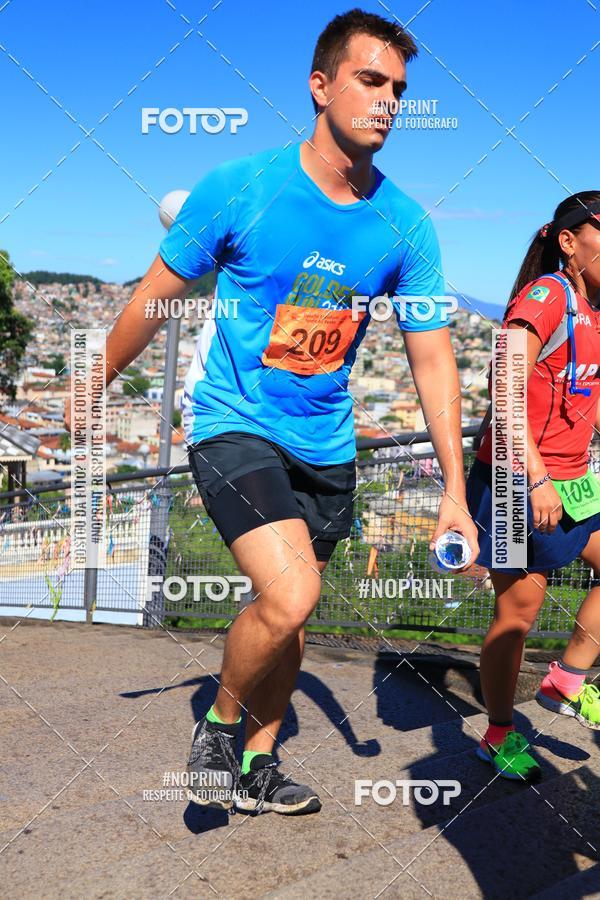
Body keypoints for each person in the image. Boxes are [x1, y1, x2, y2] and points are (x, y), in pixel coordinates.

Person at [68, 8, 478, 815]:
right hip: (234, 423)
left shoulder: (406, 226)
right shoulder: (241, 186)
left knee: (292, 620)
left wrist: (455, 493)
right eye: (370, 80)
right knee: (290, 595)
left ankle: (258, 763)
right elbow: (154, 296)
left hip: (326, 444)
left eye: (399, 89)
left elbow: (432, 360)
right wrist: (92, 385)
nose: (388, 101)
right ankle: (219, 727)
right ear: (321, 86)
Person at [467, 191, 600, 782]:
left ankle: (565, 680)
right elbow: (505, 385)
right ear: (569, 242)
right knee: (519, 611)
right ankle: (498, 733)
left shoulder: (595, 308)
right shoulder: (547, 297)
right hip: (514, 481)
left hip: (573, 479)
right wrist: (536, 474)